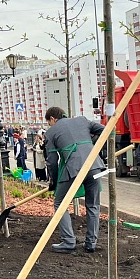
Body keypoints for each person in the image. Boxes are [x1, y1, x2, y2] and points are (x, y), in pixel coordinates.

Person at [44, 106, 104, 253]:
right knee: (93, 205)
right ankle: (91, 243)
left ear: (52, 119)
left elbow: (51, 161)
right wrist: (90, 146)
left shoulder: (51, 132)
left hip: (74, 169)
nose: (50, 125)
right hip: (95, 166)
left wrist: (55, 181)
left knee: (60, 203)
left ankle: (68, 241)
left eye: (49, 122)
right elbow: (106, 130)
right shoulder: (82, 120)